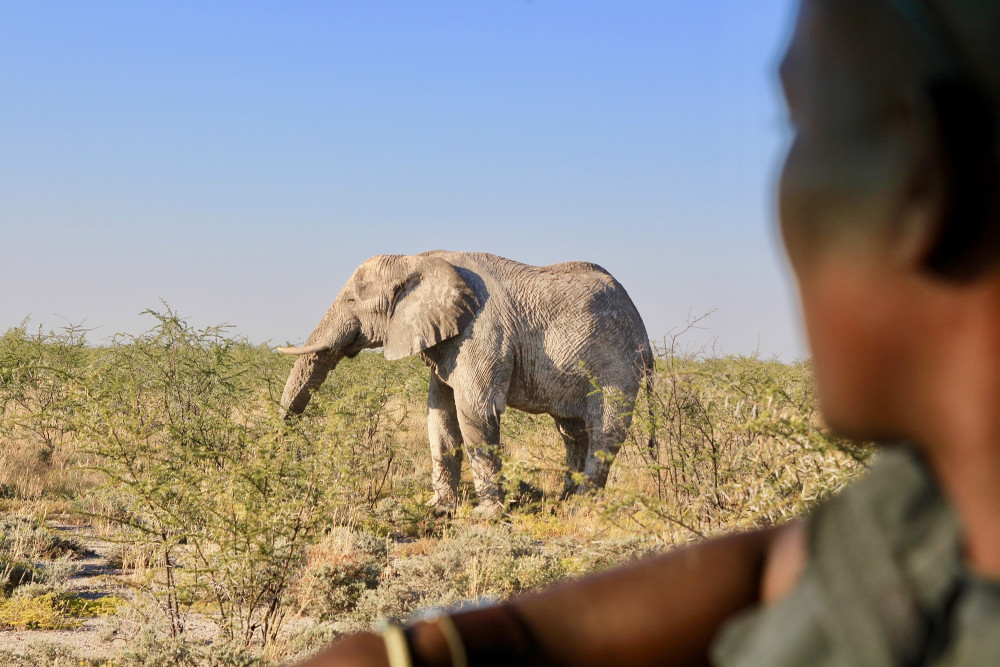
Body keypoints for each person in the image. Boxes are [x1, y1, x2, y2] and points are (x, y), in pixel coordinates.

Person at [294, 0, 1000, 664]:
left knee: (581, 458)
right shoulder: (927, 509)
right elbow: (776, 561)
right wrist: (461, 639)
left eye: (799, 121)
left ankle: (557, 488)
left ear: (918, 176)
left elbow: (476, 411)